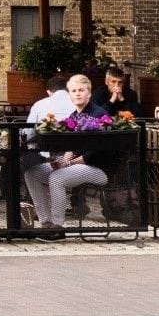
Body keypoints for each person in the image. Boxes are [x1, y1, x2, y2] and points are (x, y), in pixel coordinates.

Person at [23, 72, 109, 230]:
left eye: (81, 90)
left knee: (56, 178)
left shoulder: (99, 114)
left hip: (99, 168)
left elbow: (103, 147)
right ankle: (45, 222)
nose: (77, 94)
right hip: (77, 166)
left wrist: (79, 159)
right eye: (74, 91)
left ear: (89, 93)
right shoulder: (74, 115)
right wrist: (62, 161)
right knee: (31, 173)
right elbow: (71, 146)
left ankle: (57, 225)